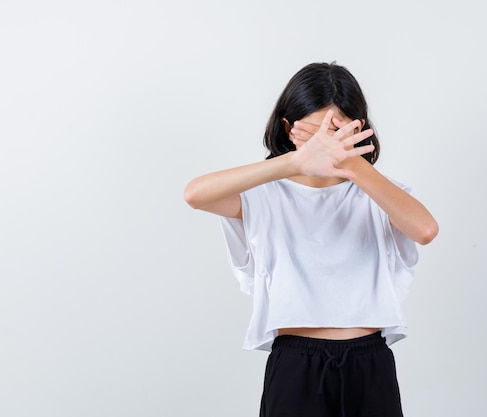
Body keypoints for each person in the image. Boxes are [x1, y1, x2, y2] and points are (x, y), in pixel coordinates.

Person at [184, 62, 438, 417]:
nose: (326, 146)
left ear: (358, 129)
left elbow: (425, 230)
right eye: (315, 135)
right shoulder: (264, 196)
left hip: (370, 362)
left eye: (336, 132)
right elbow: (195, 194)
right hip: (295, 364)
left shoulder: (379, 195)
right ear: (289, 128)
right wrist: (294, 163)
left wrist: (353, 164)